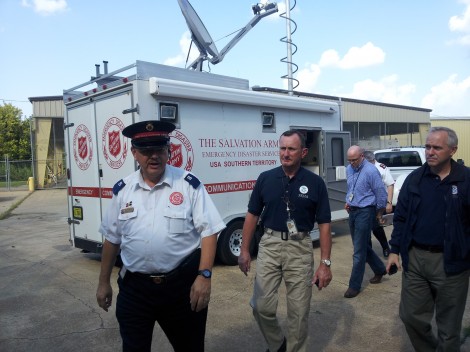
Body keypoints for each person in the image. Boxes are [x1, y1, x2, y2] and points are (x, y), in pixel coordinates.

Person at [95, 120, 226, 352]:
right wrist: (103, 282)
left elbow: (209, 231)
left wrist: (204, 277)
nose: (153, 156)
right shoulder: (122, 190)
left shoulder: (189, 186)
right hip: (135, 290)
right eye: (146, 151)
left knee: (190, 348)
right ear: (134, 153)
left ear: (169, 151)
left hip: (180, 289)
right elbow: (112, 238)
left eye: (159, 149)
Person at [238, 130, 332, 352]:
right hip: (269, 244)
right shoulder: (266, 178)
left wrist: (324, 264)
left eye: (291, 149)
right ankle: (278, 344)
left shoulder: (315, 183)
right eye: (283, 148)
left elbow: (325, 224)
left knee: (298, 313)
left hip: (300, 247)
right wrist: (244, 249)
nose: (286, 153)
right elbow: (252, 215)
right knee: (261, 306)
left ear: (303, 152)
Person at [387, 127, 470, 351]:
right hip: (416, 259)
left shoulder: (465, 180)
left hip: (453, 263)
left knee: (449, 329)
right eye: (427, 146)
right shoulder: (415, 179)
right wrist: (394, 251)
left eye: (437, 147)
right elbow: (401, 218)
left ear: (452, 150)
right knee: (410, 316)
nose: (430, 152)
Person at [344, 145, 387, 298]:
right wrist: (348, 201)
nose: (351, 163)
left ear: (362, 156)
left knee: (358, 252)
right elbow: (350, 188)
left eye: (354, 160)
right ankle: (380, 269)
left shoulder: (370, 171)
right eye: (349, 160)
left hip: (365, 211)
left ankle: (354, 286)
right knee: (360, 245)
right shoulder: (349, 169)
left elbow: (380, 191)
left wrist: (380, 211)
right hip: (353, 210)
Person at [363, 150, 394, 257]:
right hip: (366, 203)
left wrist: (389, 203)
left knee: (376, 227)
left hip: (378, 203)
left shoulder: (381, 168)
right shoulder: (362, 167)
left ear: (372, 160)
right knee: (366, 228)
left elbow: (390, 185)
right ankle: (369, 251)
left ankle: (385, 247)